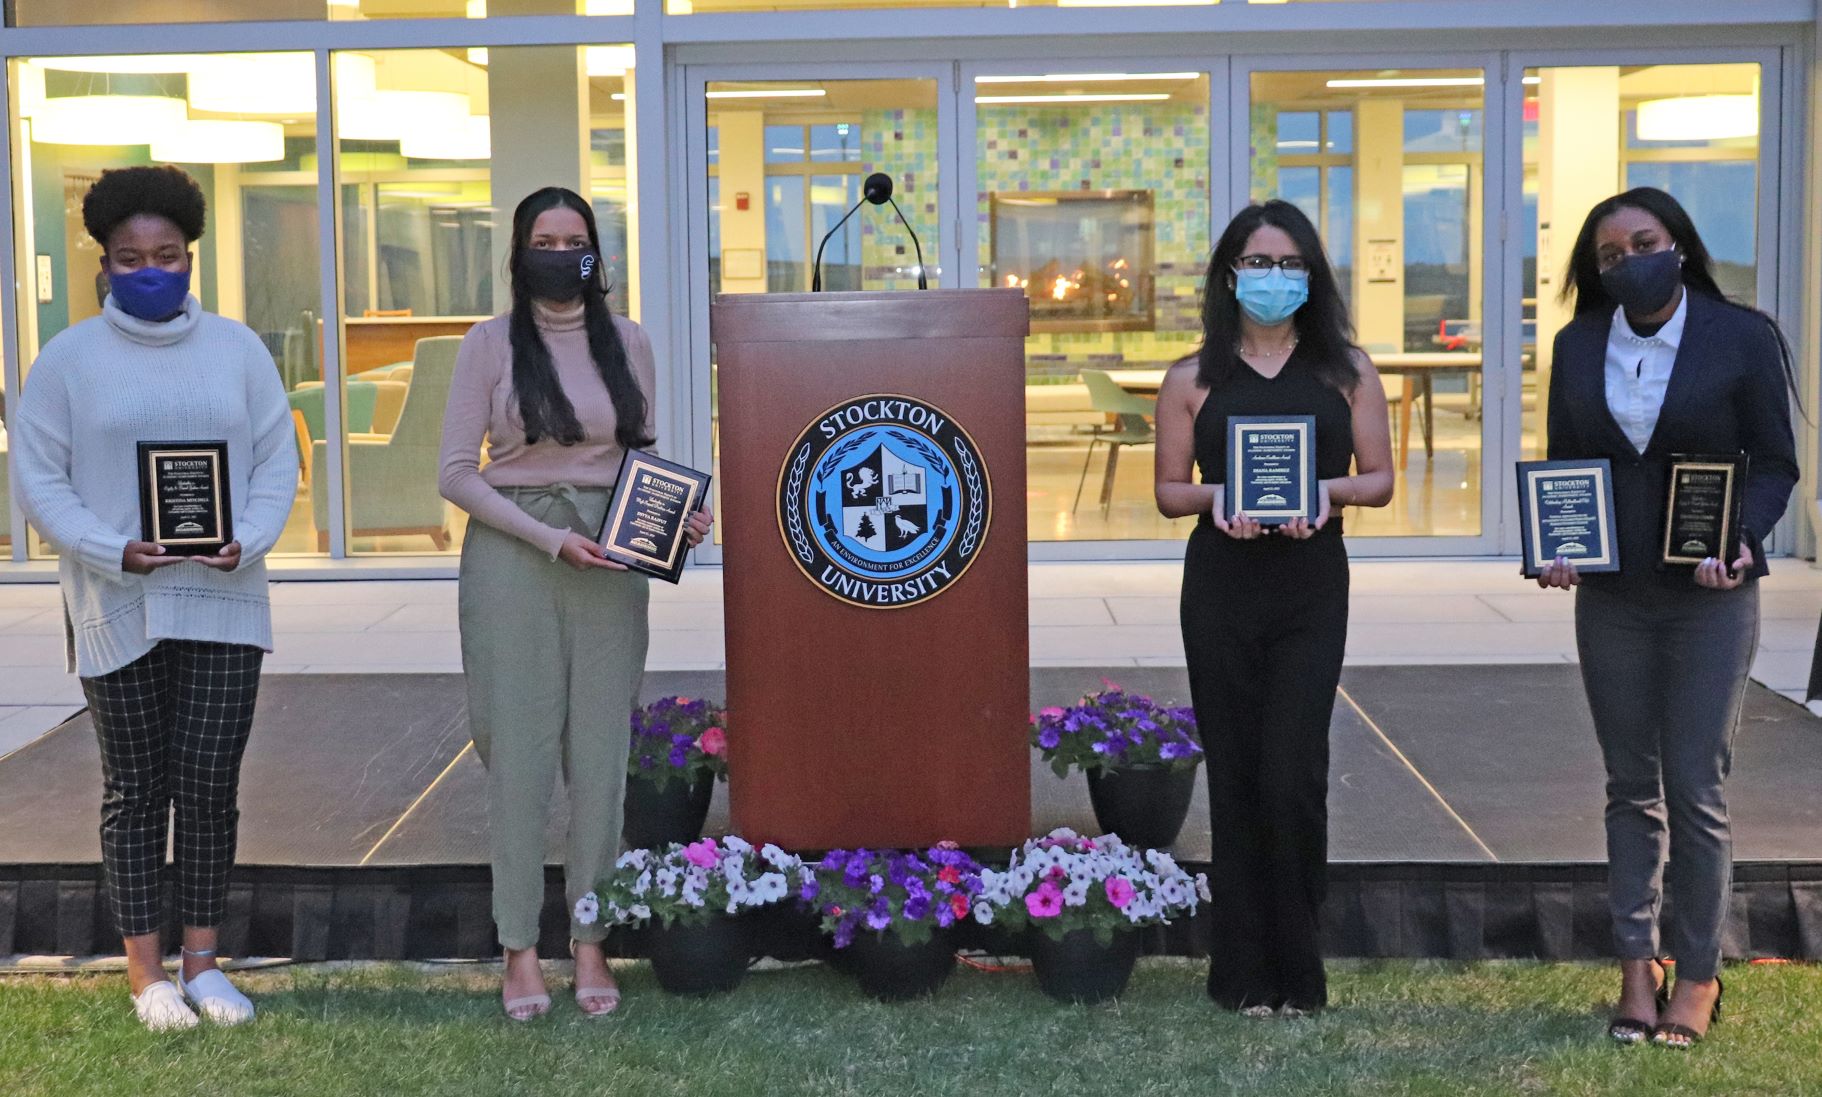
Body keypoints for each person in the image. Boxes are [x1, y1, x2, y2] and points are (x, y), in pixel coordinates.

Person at [12, 166, 299, 1031]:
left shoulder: (239, 350)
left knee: (210, 786)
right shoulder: (66, 360)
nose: (149, 268)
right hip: (116, 603)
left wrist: (245, 537)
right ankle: (147, 975)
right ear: (103, 262)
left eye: (166, 254)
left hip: (222, 599)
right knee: (135, 787)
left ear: (190, 258)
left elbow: (276, 460)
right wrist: (111, 551)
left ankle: (205, 962)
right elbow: (39, 481)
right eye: (130, 256)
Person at [439, 186, 711, 1021]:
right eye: (544, 240)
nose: (560, 252)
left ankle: (590, 935)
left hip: (613, 559)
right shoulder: (487, 344)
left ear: (597, 252)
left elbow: (643, 453)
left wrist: (680, 517)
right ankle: (520, 947)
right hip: (517, 554)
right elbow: (456, 473)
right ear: (520, 254)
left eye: (575, 239)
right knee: (516, 752)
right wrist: (549, 537)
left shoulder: (629, 340)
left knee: (599, 755)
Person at [1536, 186, 1798, 1049]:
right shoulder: (1576, 346)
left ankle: (1698, 974)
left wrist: (1746, 540)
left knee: (1695, 785)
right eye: (1609, 255)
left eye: (1642, 242)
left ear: (1678, 245)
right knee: (1627, 787)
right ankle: (1633, 966)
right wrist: (1556, 542)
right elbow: (1566, 466)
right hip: (1613, 597)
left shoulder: (1742, 336)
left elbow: (1774, 464)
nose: (1627, 261)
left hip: (1709, 598)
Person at [1154, 200, 1393, 1015]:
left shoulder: (1347, 371)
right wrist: (1218, 496)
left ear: (1312, 275)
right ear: (1228, 274)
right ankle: (1241, 971)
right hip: (1219, 587)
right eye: (1257, 263)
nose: (1273, 278)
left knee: (1292, 773)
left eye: (1289, 264)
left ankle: (1300, 966)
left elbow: (1380, 479)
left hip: (1309, 586)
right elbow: (1167, 491)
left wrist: (1322, 492)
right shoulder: (1192, 377)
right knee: (1236, 774)